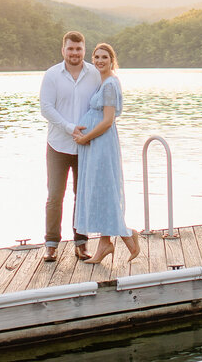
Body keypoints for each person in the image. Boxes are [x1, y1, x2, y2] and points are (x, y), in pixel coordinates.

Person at [73, 42, 140, 263]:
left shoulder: (110, 85)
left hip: (101, 144)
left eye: (105, 57)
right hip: (96, 145)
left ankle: (128, 235)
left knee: (106, 190)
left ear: (112, 60)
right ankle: (104, 244)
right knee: (101, 191)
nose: (100, 61)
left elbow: (108, 121)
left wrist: (85, 137)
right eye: (97, 57)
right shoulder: (103, 82)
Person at [39, 30, 101, 262]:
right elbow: (46, 108)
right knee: (55, 196)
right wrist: (69, 127)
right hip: (58, 144)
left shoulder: (94, 74)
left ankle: (81, 244)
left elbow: (102, 104)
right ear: (63, 50)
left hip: (86, 145)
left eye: (78, 49)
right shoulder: (52, 75)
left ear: (84, 50)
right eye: (70, 48)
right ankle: (51, 244)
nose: (74, 53)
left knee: (82, 196)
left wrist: (89, 132)